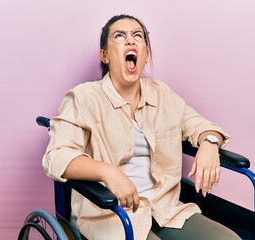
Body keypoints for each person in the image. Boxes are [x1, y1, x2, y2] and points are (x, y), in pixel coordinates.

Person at [43, 14, 241, 240]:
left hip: (164, 209)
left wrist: (210, 143)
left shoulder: (163, 95)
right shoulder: (83, 98)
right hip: (111, 214)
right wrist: (108, 172)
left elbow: (200, 125)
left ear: (145, 54)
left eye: (138, 36)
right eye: (119, 36)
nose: (130, 41)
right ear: (104, 55)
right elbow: (56, 156)